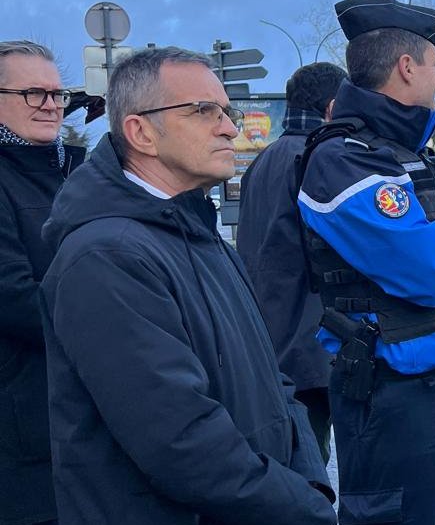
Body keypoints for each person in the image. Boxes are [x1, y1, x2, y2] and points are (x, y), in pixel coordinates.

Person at [38, 47, 336, 525]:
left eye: (227, 111)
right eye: (203, 110)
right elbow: (179, 439)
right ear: (140, 132)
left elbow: (272, 376)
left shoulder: (199, 233)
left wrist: (310, 481)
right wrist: (300, 505)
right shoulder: (106, 255)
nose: (229, 127)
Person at [298, 0, 435, 524]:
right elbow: (430, 272)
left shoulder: (422, 159)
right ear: (406, 67)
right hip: (387, 396)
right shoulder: (341, 161)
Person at [236, 61, 347, 464]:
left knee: (294, 461)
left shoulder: (264, 160)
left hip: (272, 338)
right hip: (314, 344)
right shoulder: (321, 160)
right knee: (315, 472)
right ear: (334, 107)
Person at [0, 41, 83, 525]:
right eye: (33, 93)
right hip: (22, 422)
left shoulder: (73, 172)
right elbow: (12, 297)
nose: (52, 104)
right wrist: (109, 322)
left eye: (58, 93)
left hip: (74, 410)